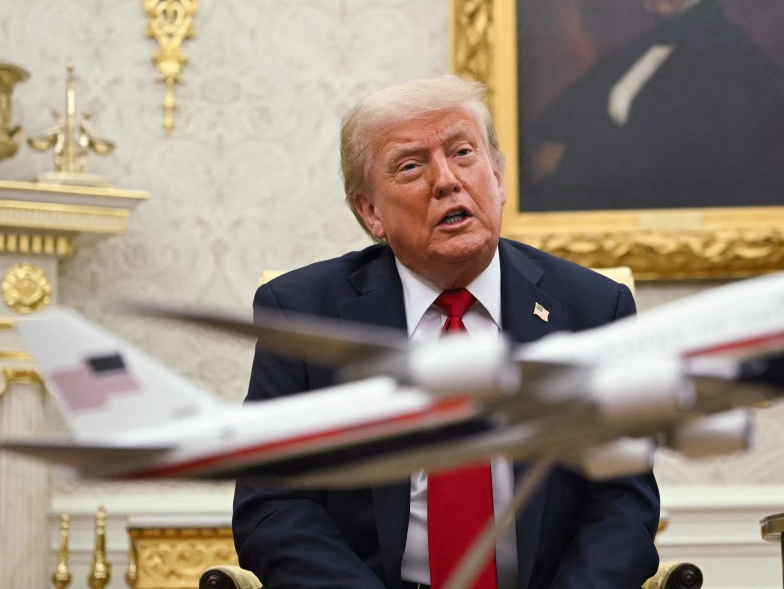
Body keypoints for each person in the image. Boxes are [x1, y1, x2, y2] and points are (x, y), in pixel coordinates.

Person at [232, 74, 661, 589]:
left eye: (462, 153)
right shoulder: (304, 312)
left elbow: (622, 501)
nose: (447, 180)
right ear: (370, 211)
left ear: (498, 180)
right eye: (411, 165)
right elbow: (274, 506)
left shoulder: (591, 308)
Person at [524, 0, 784, 213]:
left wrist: (571, 160)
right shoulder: (630, 54)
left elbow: (677, 171)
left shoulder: (735, 62)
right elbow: (548, 132)